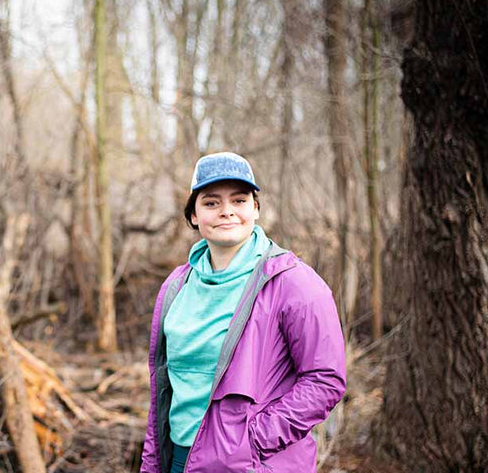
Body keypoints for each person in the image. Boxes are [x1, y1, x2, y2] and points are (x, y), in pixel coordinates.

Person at [140, 152, 346, 473]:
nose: (226, 212)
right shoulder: (176, 287)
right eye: (211, 203)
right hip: (178, 459)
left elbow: (325, 380)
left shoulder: (294, 283)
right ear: (193, 215)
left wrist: (251, 440)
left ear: (256, 209)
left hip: (252, 464)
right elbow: (165, 391)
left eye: (239, 200)